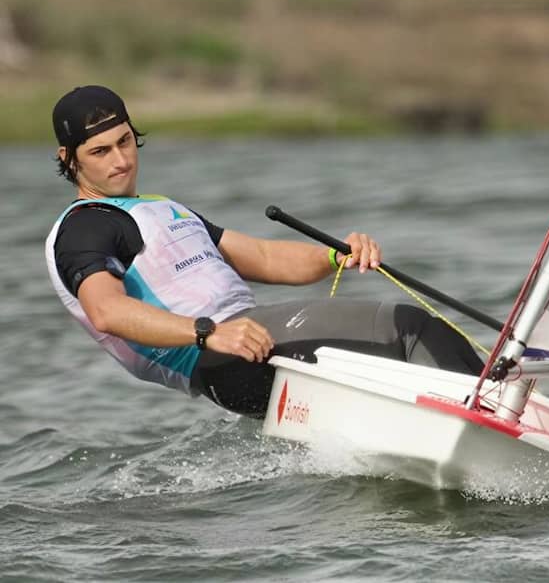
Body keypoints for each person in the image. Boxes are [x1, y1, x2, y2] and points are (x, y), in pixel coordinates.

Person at [45, 85, 484, 419]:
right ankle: (495, 416)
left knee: (397, 359)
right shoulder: (83, 227)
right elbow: (107, 311)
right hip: (224, 356)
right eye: (100, 151)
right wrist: (208, 333)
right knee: (408, 329)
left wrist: (336, 256)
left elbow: (264, 257)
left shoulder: (159, 209)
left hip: (245, 345)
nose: (121, 160)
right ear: (69, 158)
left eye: (124, 141)